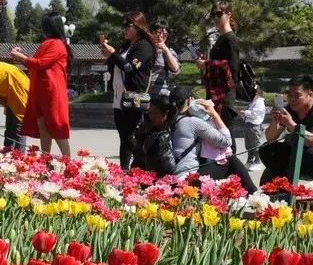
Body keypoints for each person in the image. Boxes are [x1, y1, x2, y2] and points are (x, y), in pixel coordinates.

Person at [170, 86, 257, 193]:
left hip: (171, 175)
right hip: (187, 179)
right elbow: (226, 141)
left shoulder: (169, 120)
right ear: (189, 100)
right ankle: (253, 193)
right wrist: (214, 113)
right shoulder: (192, 122)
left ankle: (250, 192)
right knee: (230, 158)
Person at [101, 10, 157, 170]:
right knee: (124, 137)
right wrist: (109, 56)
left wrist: (113, 54)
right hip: (120, 97)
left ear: (139, 26)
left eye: (128, 25)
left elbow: (129, 67)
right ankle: (125, 170)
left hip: (134, 97)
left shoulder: (144, 46)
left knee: (130, 137)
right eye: (123, 25)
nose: (124, 29)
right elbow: (115, 69)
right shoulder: (126, 46)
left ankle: (137, 169)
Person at [11, 12, 72, 156]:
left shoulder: (57, 44)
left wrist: (21, 58)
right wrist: (24, 55)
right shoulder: (48, 43)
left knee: (56, 126)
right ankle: (45, 159)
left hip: (51, 91)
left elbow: (40, 63)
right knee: (43, 127)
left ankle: (68, 161)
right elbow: (37, 62)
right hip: (41, 90)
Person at [259, 76, 313, 185]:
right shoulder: (288, 108)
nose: (292, 99)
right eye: (290, 95)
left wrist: (290, 124)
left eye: (297, 95)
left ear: (310, 95)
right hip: (293, 148)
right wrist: (275, 120)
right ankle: (283, 183)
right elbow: (271, 138)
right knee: (266, 149)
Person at [197, 2, 240, 150]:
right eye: (213, 15)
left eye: (219, 14)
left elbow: (233, 69)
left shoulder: (230, 39)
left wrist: (207, 64)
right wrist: (205, 65)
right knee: (220, 137)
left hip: (224, 96)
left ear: (229, 15)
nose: (215, 17)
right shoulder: (222, 38)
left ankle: (236, 172)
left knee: (227, 137)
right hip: (216, 94)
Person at [150, 19, 180, 99]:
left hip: (161, 96)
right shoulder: (145, 49)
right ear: (151, 33)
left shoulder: (169, 51)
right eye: (158, 32)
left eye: (165, 34)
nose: (161, 36)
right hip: (143, 95)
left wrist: (165, 49)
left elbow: (176, 69)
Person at [239, 84, 266, 168]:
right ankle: (250, 160)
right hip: (248, 125)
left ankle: (258, 161)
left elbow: (255, 113)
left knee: (255, 145)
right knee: (249, 145)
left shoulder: (259, 102)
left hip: (255, 126)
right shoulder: (253, 101)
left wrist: (246, 112)